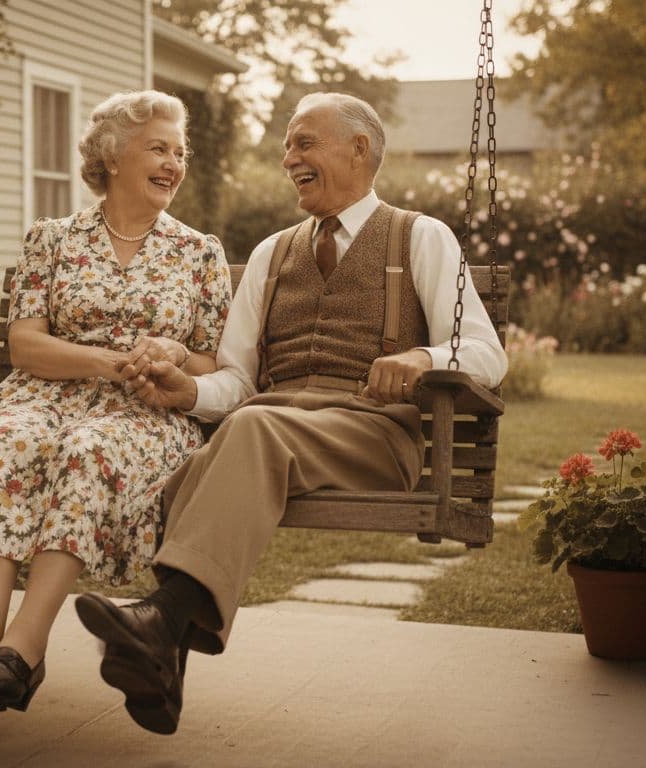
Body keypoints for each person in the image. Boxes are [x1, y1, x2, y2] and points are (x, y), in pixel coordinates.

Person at [74, 92, 508, 734]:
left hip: (373, 434)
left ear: (359, 149)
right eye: (286, 145)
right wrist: (187, 393)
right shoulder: (274, 253)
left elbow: (485, 352)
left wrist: (421, 357)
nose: (288, 158)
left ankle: (159, 622)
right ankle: (158, 660)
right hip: (274, 427)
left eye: (305, 142)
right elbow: (238, 380)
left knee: (246, 433)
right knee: (185, 476)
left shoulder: (420, 236)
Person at [0, 90, 232, 714]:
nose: (174, 163)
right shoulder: (53, 238)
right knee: (10, 440)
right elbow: (25, 343)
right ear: (112, 157)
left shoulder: (198, 252)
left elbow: (213, 361)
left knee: (90, 449)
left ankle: (23, 649)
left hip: (144, 411)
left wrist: (173, 358)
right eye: (158, 148)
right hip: (45, 394)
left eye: (180, 152)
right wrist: (105, 361)